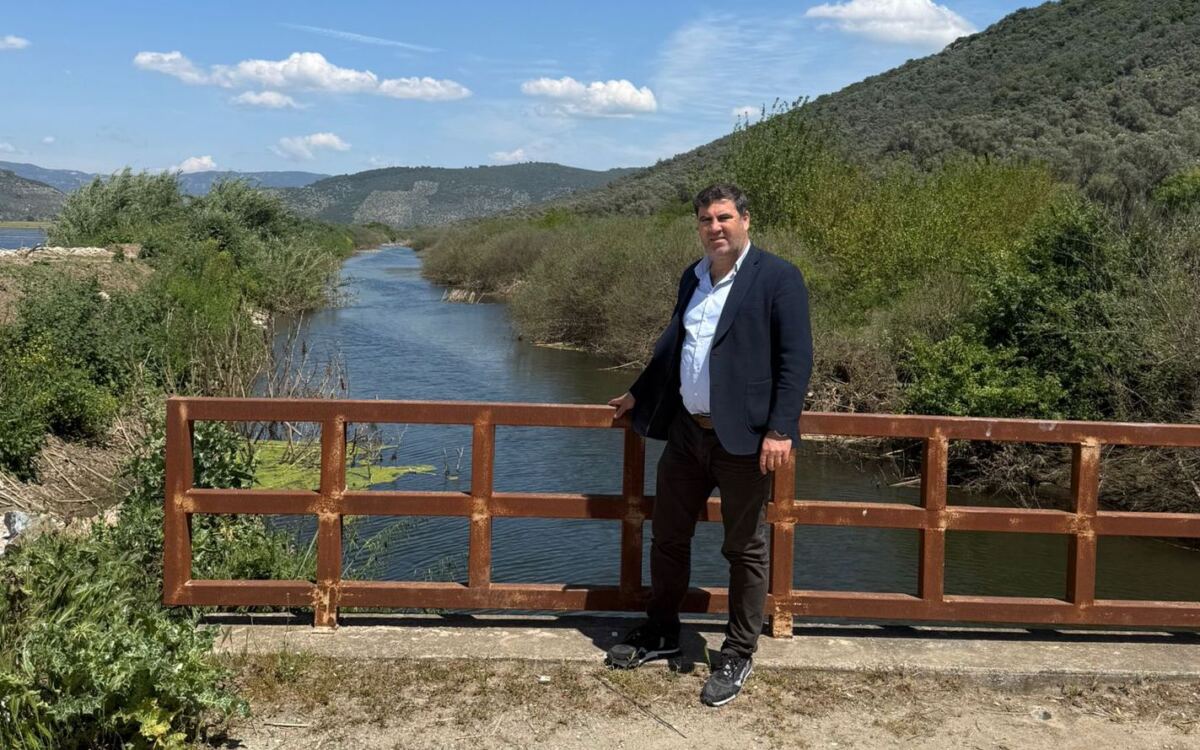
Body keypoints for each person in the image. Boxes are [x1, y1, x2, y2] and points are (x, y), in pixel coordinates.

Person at [607, 183, 813, 707]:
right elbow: (675, 348)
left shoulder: (778, 277)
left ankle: (739, 651)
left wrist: (780, 430)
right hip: (686, 433)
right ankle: (662, 630)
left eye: (724, 217)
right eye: (705, 219)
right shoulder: (693, 277)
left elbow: (795, 360)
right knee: (668, 537)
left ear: (746, 219)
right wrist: (638, 393)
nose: (714, 227)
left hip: (744, 439)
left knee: (743, 548)